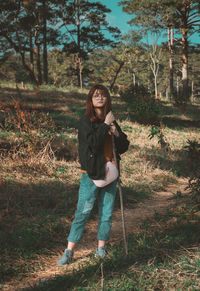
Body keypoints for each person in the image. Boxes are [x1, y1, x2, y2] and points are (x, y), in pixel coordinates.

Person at [57, 84, 129, 265]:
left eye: (103, 95)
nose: (100, 98)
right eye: (96, 95)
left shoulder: (111, 120)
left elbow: (123, 146)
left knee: (106, 213)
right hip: (91, 175)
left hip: (110, 173)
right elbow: (94, 144)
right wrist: (105, 125)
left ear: (107, 99)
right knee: (83, 212)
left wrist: (116, 132)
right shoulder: (85, 122)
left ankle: (101, 248)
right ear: (90, 99)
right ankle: (69, 251)